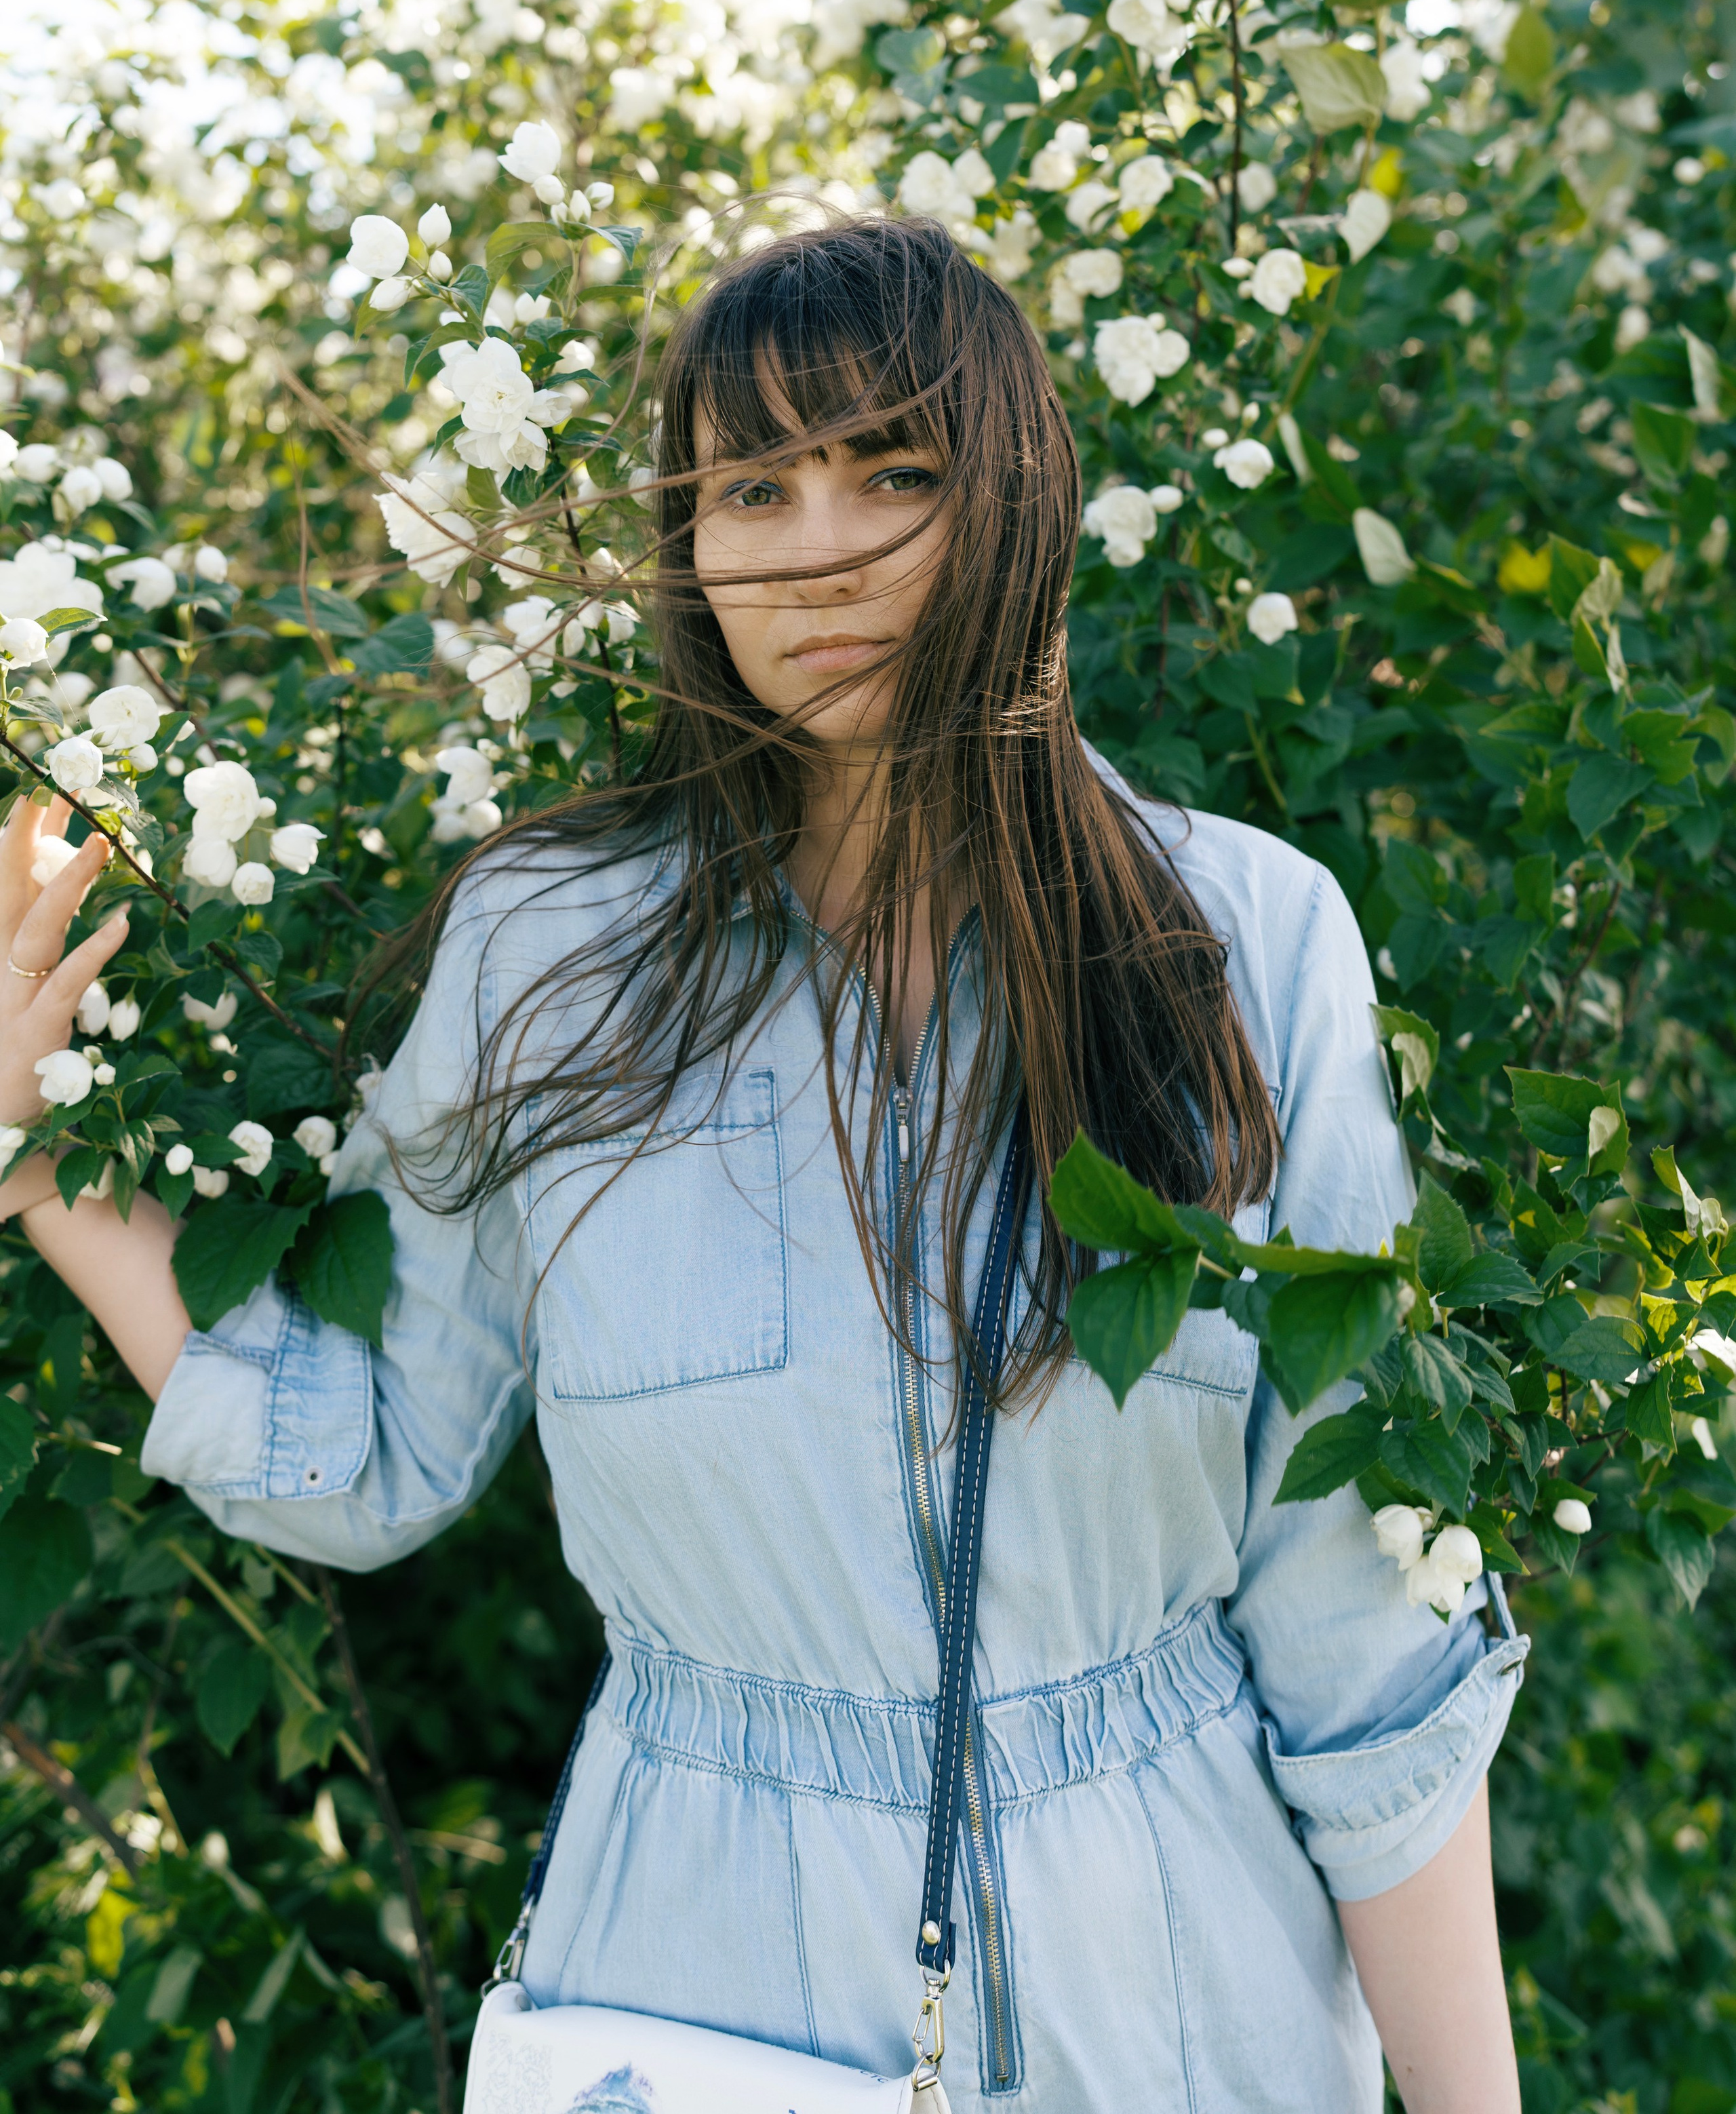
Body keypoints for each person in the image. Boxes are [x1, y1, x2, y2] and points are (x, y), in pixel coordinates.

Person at [0, 218, 1524, 2112]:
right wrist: (43, 1156)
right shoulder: (545, 955)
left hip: (1178, 1991)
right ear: (690, 541)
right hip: (697, 1978)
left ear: (1021, 499)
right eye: (755, 485)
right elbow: (367, 1447)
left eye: (898, 469)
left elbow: (1364, 1643)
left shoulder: (1247, 944)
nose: (820, 548)